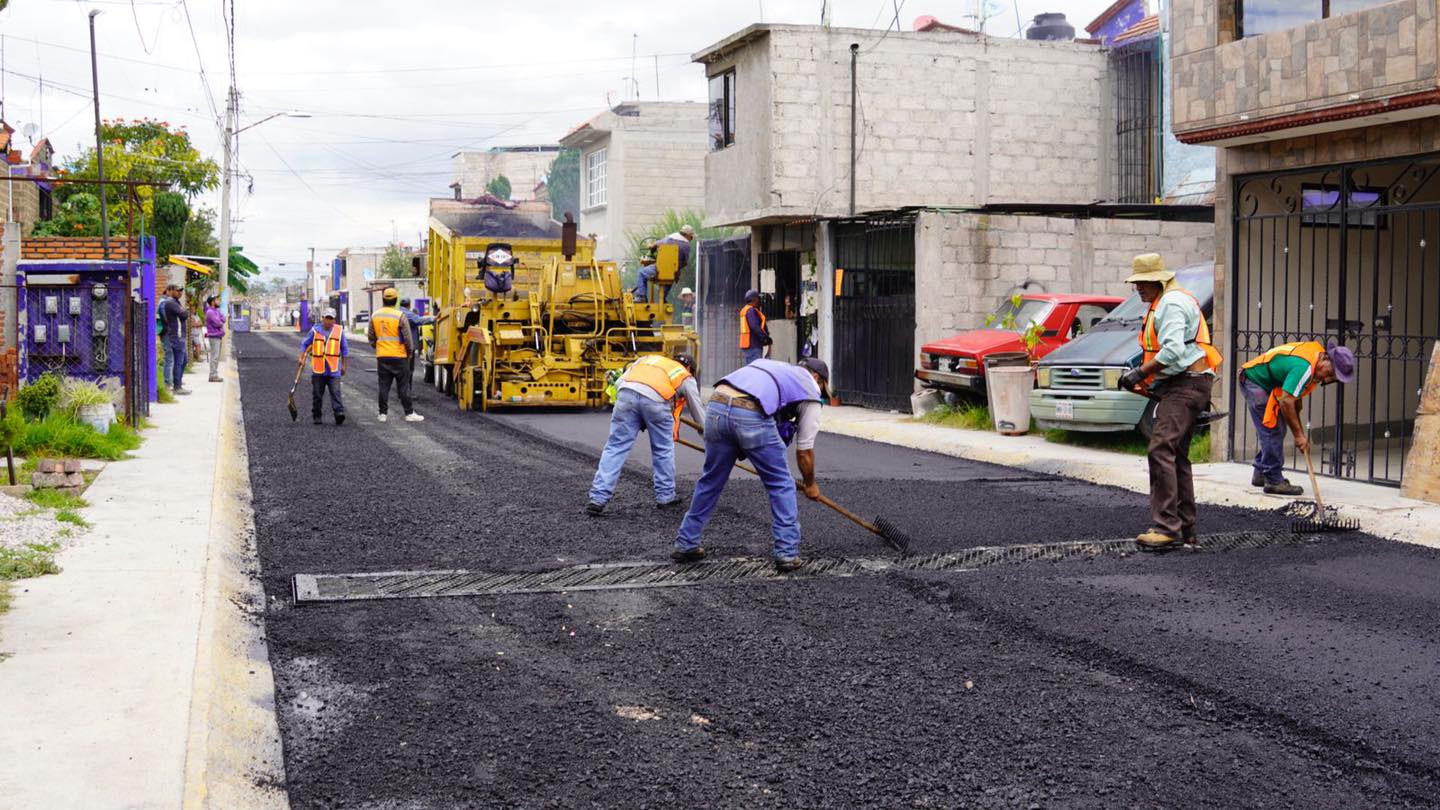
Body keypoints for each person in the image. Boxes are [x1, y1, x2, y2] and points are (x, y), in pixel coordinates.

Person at [671, 357, 829, 573]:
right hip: (750, 411)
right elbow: (805, 451)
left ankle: (686, 543)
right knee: (781, 484)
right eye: (822, 387)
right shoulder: (809, 388)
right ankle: (787, 553)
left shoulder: (778, 369)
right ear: (817, 378)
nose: (820, 392)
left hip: (716, 405)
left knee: (710, 481)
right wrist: (810, 484)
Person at [1117, 254, 1222, 551]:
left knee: (1161, 447)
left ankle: (1166, 529)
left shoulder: (1172, 304)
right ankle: (1186, 530)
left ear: (1158, 280)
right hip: (1186, 383)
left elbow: (1174, 352)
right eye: (1135, 283)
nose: (1137, 288)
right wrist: (1140, 376)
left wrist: (1139, 373)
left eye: (1142, 283)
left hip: (1186, 384)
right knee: (1176, 455)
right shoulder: (1166, 302)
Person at [585, 354, 704, 515]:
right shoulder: (685, 376)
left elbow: (620, 382)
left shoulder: (649, 359)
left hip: (626, 395)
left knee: (615, 447)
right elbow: (699, 415)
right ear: (690, 368)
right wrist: (709, 436)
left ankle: (597, 498)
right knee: (662, 450)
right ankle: (665, 496)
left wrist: (636, 413)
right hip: (656, 402)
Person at [1238, 338, 1356, 494]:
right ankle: (1273, 480)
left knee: (1277, 429)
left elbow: (1294, 400)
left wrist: (1298, 428)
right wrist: (1300, 436)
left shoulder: (1315, 356)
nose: (1327, 379)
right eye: (1330, 373)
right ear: (1326, 359)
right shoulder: (1305, 367)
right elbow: (1286, 402)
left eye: (1332, 378)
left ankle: (1261, 472)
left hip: (1267, 383)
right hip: (1254, 381)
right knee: (1273, 430)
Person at [368, 288, 423, 423]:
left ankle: (382, 414)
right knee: (403, 386)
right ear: (396, 300)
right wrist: (409, 353)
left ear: (383, 299)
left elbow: (371, 337)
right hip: (399, 356)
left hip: (382, 356)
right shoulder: (399, 316)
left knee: (384, 386)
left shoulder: (375, 316)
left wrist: (379, 347)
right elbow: (408, 338)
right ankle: (409, 413)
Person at [301, 308, 348, 425]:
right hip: (318, 369)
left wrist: (344, 366)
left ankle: (339, 413)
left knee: (335, 392)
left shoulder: (339, 330)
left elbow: (344, 350)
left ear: (334, 320)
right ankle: (317, 414)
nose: (328, 321)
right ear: (322, 318)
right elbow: (305, 344)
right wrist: (301, 358)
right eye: (326, 318)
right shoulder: (315, 330)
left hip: (333, 369)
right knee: (317, 393)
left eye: (331, 318)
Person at [158, 284, 191, 396]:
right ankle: (176, 386)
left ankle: (178, 382)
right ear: (170, 291)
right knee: (176, 361)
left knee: (183, 360)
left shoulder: (176, 302)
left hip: (179, 336)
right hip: (175, 336)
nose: (180, 293)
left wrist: (183, 311)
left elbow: (183, 313)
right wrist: (184, 311)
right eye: (178, 291)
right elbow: (184, 314)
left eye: (181, 291)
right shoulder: (170, 302)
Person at [397, 297, 436, 377]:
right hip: (407, 345)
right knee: (409, 368)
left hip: (396, 345)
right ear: (409, 305)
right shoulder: (407, 314)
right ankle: (406, 385)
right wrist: (434, 318)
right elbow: (419, 320)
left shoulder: (395, 313)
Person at [739, 289, 770, 364]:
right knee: (756, 369)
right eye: (758, 298)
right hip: (754, 345)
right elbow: (755, 326)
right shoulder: (751, 311)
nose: (759, 300)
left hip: (748, 345)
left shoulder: (745, 310)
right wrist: (764, 338)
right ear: (754, 299)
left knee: (751, 369)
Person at [204, 295, 226, 383]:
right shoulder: (210, 312)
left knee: (216, 356)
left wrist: (221, 320)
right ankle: (213, 375)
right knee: (214, 356)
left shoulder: (216, 311)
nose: (219, 301)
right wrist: (221, 321)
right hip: (214, 336)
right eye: (217, 300)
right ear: (213, 302)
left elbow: (224, 318)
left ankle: (214, 374)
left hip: (218, 336)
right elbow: (218, 323)